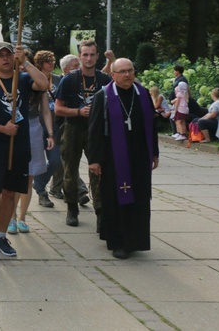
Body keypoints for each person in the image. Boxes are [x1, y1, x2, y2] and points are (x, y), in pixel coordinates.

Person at [0, 42, 48, 261]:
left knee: (10, 193)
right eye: (0, 55)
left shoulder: (22, 79)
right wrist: (2, 129)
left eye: (8, 54)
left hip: (20, 145)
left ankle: (2, 235)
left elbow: (43, 84)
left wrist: (26, 63)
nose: (5, 58)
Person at [88, 58, 158, 259]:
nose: (127, 75)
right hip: (113, 158)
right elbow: (94, 130)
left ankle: (136, 240)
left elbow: (152, 126)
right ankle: (118, 242)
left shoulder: (142, 94)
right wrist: (94, 159)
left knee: (139, 198)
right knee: (115, 199)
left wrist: (154, 152)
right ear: (113, 74)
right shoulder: (103, 96)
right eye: (122, 72)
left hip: (139, 156)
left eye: (130, 71)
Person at [54, 39, 111, 228]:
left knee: (99, 172)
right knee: (70, 171)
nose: (88, 58)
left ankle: (101, 212)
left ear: (96, 55)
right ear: (80, 56)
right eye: (85, 54)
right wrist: (78, 111)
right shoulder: (69, 79)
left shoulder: (104, 79)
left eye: (92, 54)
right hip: (72, 128)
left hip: (96, 130)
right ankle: (72, 208)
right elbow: (58, 109)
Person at [9, 51, 55, 234]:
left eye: (24, 63)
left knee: (29, 176)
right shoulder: (9, 81)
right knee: (13, 177)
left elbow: (45, 111)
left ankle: (22, 218)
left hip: (34, 129)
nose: (21, 67)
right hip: (14, 129)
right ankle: (10, 218)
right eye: (18, 63)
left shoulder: (36, 84)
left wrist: (50, 134)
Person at [48, 54, 88, 203]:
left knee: (62, 160)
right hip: (59, 125)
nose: (78, 69)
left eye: (78, 66)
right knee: (65, 160)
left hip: (74, 126)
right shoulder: (62, 81)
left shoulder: (82, 80)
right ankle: (81, 190)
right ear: (65, 70)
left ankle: (55, 188)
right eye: (74, 67)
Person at [30, 50, 61, 208]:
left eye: (53, 60)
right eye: (48, 60)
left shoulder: (58, 79)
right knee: (35, 162)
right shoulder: (33, 80)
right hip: (36, 125)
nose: (51, 63)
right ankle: (42, 193)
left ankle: (39, 183)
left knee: (56, 159)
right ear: (40, 63)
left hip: (54, 126)